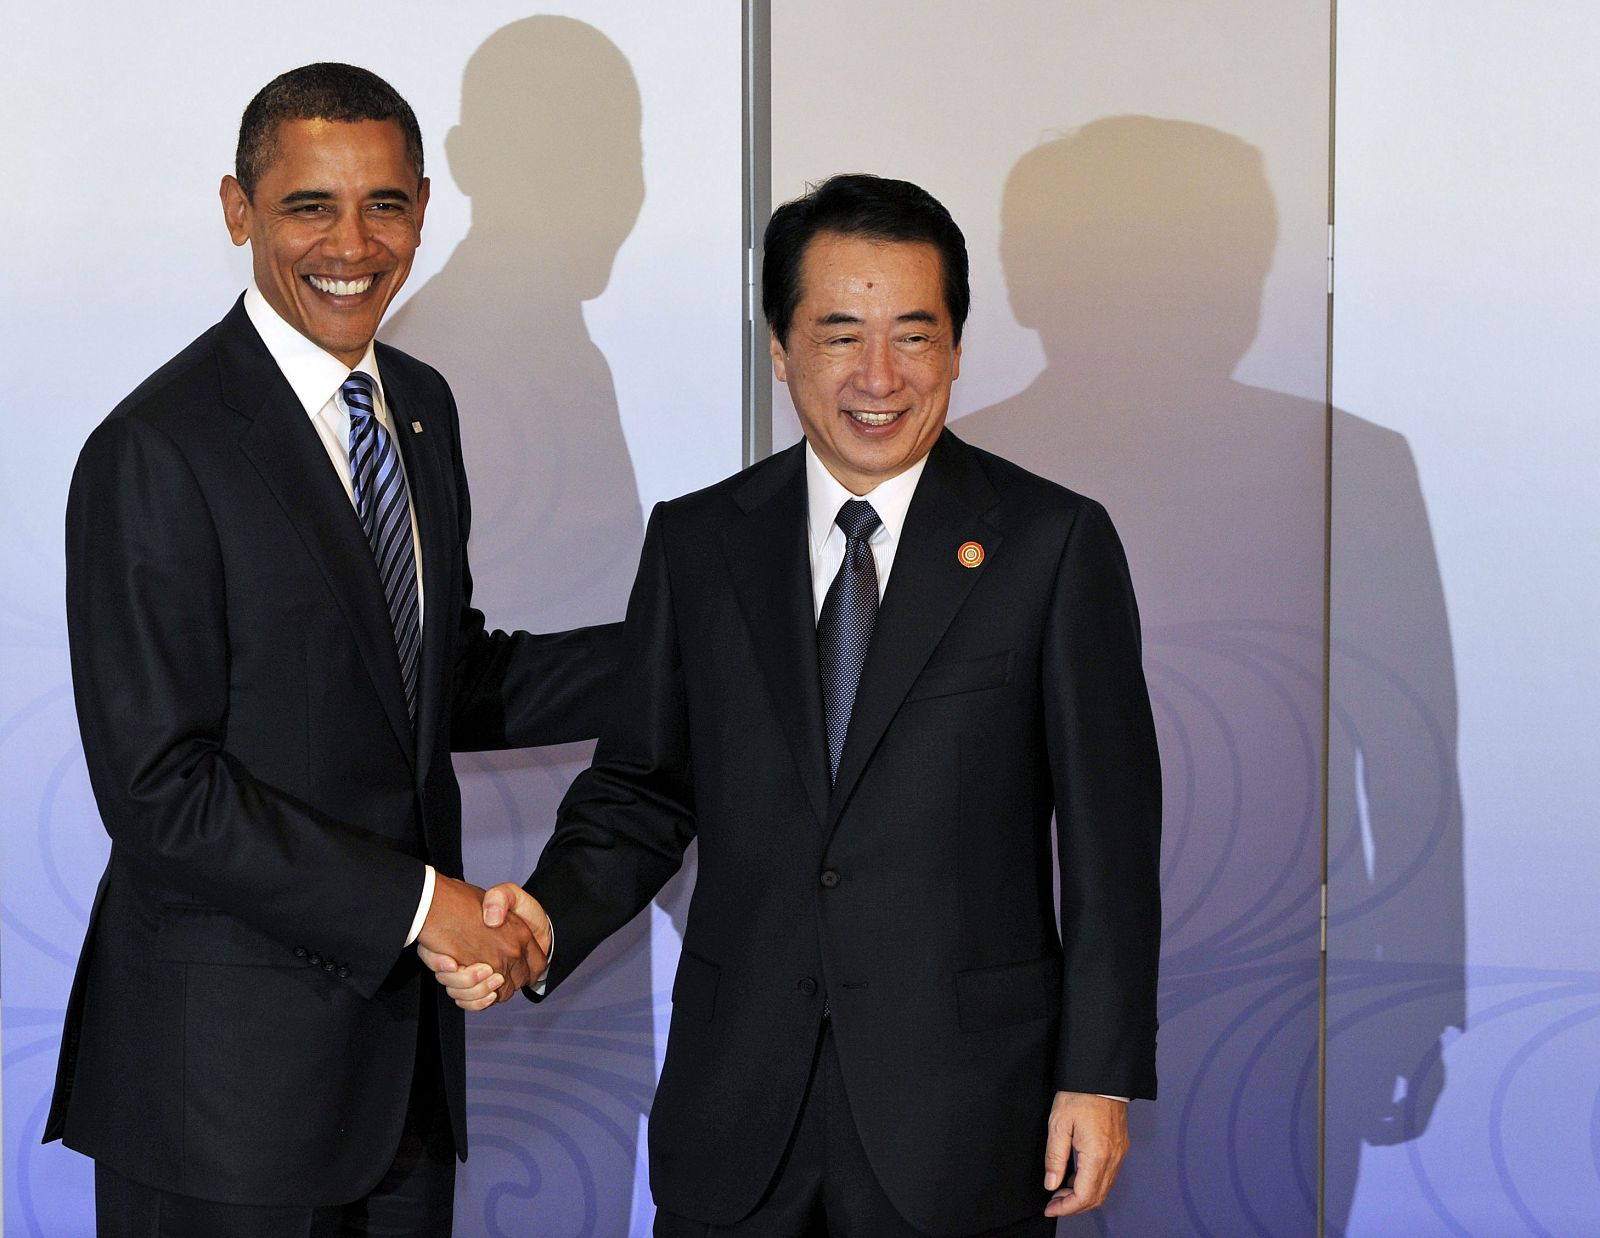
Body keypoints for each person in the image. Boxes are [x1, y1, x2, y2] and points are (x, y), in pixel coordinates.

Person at [428, 174, 1162, 1236]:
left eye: (914, 335)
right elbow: (641, 787)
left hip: (962, 1120)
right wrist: (544, 916)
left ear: (956, 347)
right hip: (737, 1116)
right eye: (838, 334)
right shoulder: (701, 541)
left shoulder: (1051, 545)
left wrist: (1096, 1075)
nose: (878, 376)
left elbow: (1109, 839)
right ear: (780, 349)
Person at [46, 62, 621, 1236]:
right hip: (221, 1100)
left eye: (385, 205)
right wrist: (426, 908)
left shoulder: (419, 403)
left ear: (421, 204)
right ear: (237, 209)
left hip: (397, 1082)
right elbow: (162, 790)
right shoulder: (156, 447)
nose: (351, 243)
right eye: (310, 204)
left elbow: (434, 677)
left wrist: (690, 644)